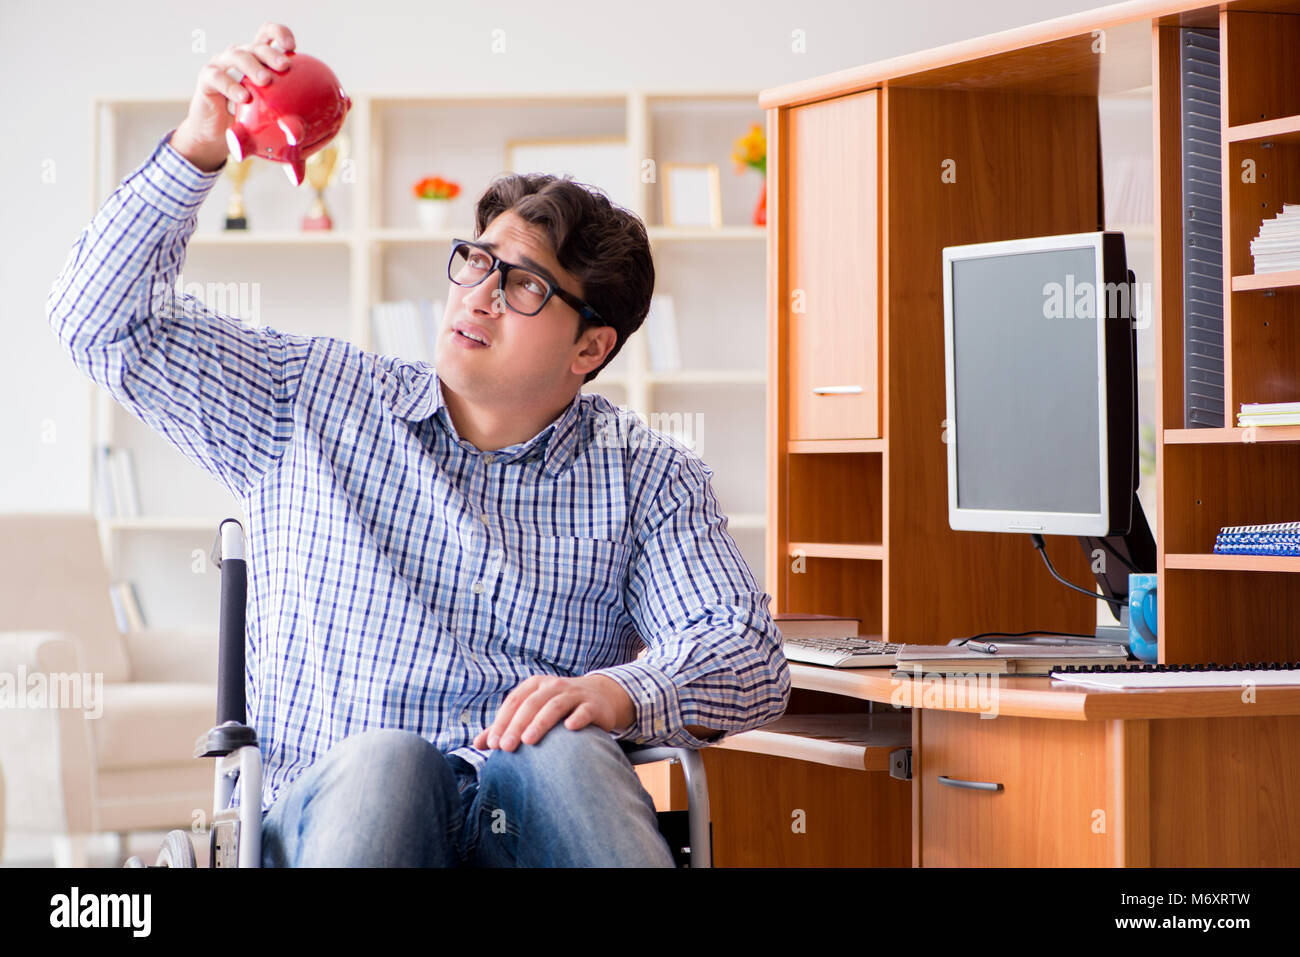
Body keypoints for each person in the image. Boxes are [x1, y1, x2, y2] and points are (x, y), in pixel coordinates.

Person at [46, 21, 790, 867]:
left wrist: (620, 691)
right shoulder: (309, 399)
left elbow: (746, 651)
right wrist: (197, 147)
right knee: (390, 760)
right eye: (476, 261)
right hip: (340, 808)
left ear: (591, 348)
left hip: (534, 814)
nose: (478, 294)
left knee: (563, 746)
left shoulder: (648, 476)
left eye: (523, 285)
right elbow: (96, 323)